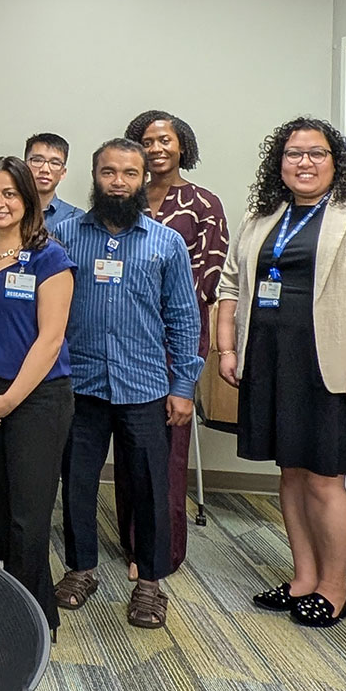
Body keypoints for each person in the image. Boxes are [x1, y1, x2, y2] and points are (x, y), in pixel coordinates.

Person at [216, 117, 346, 628]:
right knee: (291, 475)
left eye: (316, 153)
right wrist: (226, 346)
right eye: (292, 154)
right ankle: (304, 577)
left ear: (336, 160)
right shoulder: (264, 215)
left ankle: (334, 588)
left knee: (327, 482)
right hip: (274, 364)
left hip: (339, 368)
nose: (303, 163)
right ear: (278, 164)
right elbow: (231, 283)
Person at [51, 139, 200, 630]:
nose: (119, 182)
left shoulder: (166, 243)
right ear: (94, 177)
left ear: (143, 179)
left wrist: (183, 386)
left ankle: (150, 584)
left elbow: (182, 319)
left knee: (152, 488)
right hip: (80, 385)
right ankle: (81, 569)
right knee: (76, 483)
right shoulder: (65, 236)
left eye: (129, 174)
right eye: (109, 173)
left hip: (145, 387)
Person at [0, 156, 76, 632]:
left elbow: (50, 341)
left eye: (9, 193)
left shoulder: (51, 258)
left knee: (28, 513)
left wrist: (8, 401)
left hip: (38, 397)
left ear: (28, 199)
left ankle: (34, 622)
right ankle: (0, 594)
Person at [122, 109, 228, 578]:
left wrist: (162, 298)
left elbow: (212, 273)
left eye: (166, 140)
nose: (157, 148)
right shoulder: (126, 196)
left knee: (169, 445)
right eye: (148, 140)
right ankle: (130, 544)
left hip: (178, 333)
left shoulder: (203, 202)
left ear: (182, 144)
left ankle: (161, 551)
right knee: (128, 441)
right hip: (127, 333)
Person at [25, 132, 82, 225]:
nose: (45, 169)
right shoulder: (8, 210)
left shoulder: (74, 218)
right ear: (24, 167)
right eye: (37, 160)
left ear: (63, 173)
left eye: (55, 163)